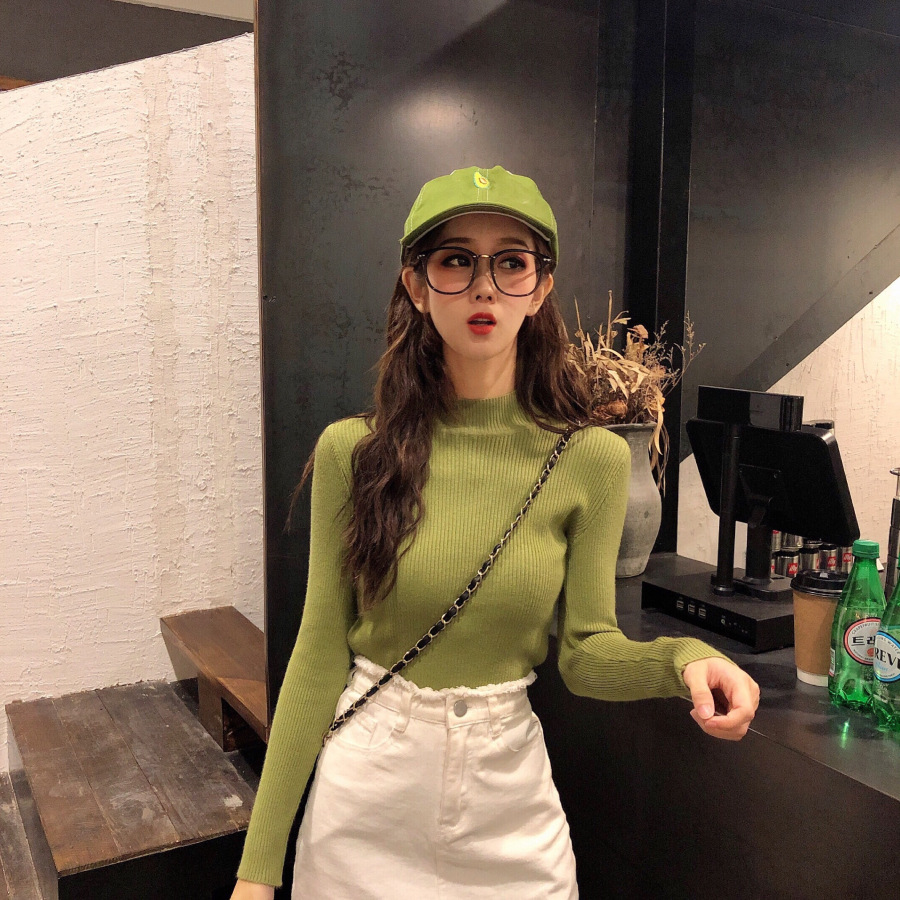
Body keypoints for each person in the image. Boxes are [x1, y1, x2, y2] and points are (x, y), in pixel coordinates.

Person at [230, 165, 759, 900]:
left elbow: (586, 653)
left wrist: (682, 660)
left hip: (507, 795)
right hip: (370, 792)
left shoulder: (592, 459)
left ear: (540, 289)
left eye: (511, 263)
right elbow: (319, 652)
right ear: (417, 285)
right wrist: (257, 870)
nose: (485, 287)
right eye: (456, 261)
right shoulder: (355, 451)